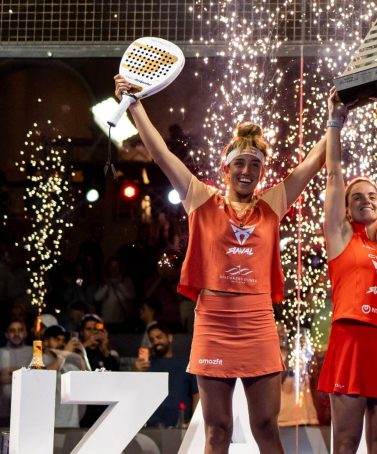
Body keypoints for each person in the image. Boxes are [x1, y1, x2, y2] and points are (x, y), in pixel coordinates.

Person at [114, 74, 327, 454]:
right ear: (226, 168)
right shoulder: (200, 198)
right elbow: (161, 154)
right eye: (240, 164)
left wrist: (336, 118)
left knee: (266, 426)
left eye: (254, 166)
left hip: (258, 321)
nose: (247, 171)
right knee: (218, 430)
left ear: (262, 172)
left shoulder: (271, 206)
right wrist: (136, 106)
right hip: (213, 321)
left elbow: (310, 165)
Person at [317, 92, 377, 454]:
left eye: (372, 195)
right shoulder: (340, 237)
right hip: (350, 346)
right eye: (356, 197)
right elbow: (335, 175)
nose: (365, 199)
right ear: (347, 207)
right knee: (346, 446)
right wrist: (334, 124)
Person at [133, 323, 198, 428]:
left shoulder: (186, 363)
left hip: (181, 425)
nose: (156, 342)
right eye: (152, 339)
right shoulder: (146, 365)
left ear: (169, 338)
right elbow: (134, 394)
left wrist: (194, 422)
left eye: (159, 337)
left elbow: (196, 395)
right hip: (152, 426)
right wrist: (135, 372)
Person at [41, 324, 87, 428]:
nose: (61, 343)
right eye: (57, 339)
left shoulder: (69, 364)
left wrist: (82, 357)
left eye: (63, 340)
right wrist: (64, 354)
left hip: (73, 424)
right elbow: (44, 377)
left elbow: (86, 383)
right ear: (45, 342)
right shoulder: (38, 360)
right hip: (51, 425)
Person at [0, 320, 32, 426]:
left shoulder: (34, 351)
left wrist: (9, 372)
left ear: (26, 333)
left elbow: (35, 376)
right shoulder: (1, 351)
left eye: (20, 330)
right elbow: (2, 377)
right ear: (7, 334)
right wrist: (25, 371)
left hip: (27, 410)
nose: (17, 334)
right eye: (12, 331)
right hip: (2, 411)